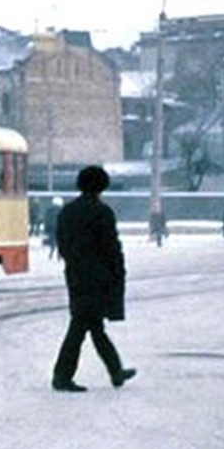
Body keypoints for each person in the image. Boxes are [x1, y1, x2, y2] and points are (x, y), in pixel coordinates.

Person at [51, 165, 135, 393]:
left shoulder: (67, 211)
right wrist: (117, 273)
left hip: (76, 276)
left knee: (92, 326)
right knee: (81, 327)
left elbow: (62, 243)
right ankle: (62, 376)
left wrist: (74, 263)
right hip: (98, 278)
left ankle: (116, 371)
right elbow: (111, 248)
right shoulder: (102, 212)